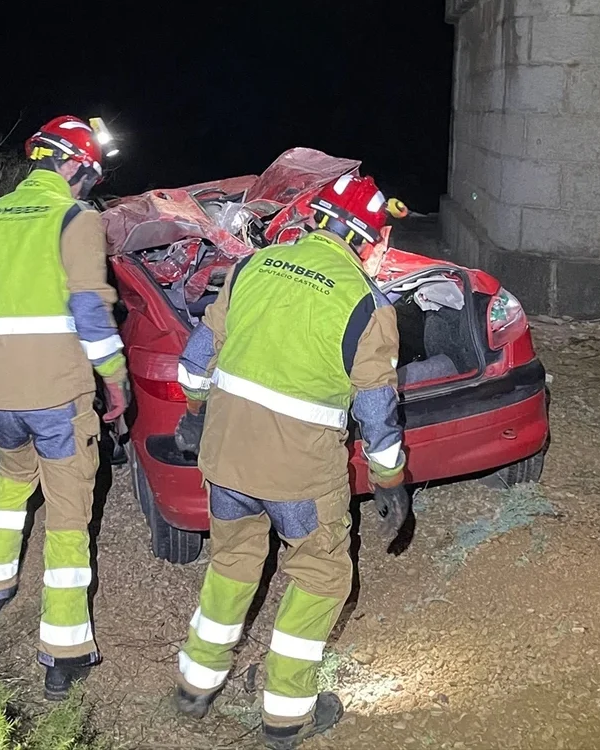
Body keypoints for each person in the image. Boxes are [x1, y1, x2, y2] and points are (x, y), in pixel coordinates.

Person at [170, 174, 409, 748]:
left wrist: (196, 413)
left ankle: (196, 685)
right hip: (298, 475)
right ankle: (286, 714)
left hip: (226, 459)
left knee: (232, 562)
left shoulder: (252, 266)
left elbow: (195, 361)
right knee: (322, 577)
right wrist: (390, 480)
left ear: (316, 220)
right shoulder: (368, 304)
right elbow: (376, 412)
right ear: (368, 240)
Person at [0, 115, 129, 698]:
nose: (89, 186)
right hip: (57, 396)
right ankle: (64, 653)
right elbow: (90, 312)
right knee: (67, 515)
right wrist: (116, 380)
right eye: (91, 175)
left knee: (13, 481)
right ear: (74, 167)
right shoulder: (75, 218)